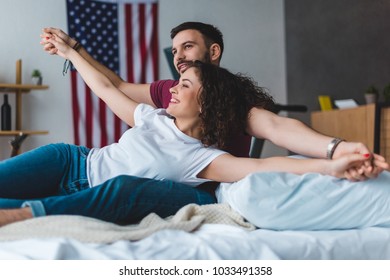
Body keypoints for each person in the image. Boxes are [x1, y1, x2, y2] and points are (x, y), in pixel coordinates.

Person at [0, 22, 386, 227]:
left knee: (124, 188)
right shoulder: (155, 111)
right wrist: (70, 49)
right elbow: (108, 87)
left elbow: (266, 157)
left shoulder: (205, 154)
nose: (176, 71)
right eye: (175, 53)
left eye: (186, 55)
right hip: (71, 162)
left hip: (122, 188)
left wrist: (332, 158)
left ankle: (22, 215)